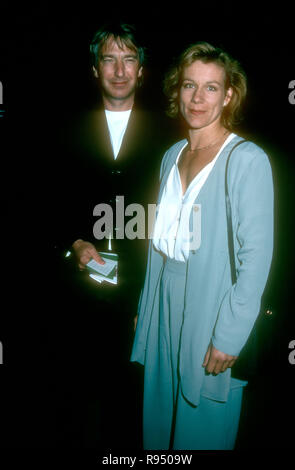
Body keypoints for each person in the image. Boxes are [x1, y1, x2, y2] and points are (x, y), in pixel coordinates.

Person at [131, 42, 274, 450]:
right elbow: (159, 248)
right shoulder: (171, 155)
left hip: (213, 306)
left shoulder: (246, 160)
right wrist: (146, 308)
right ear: (177, 90)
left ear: (228, 95)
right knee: (159, 427)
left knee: (202, 429)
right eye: (189, 86)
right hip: (163, 305)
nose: (197, 98)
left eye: (211, 88)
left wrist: (229, 334)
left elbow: (256, 260)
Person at [52, 22, 178, 448]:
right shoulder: (63, 129)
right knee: (75, 408)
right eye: (109, 59)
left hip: (143, 297)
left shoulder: (172, 134)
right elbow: (39, 200)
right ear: (94, 68)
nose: (120, 70)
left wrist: (153, 295)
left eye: (129, 59)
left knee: (134, 409)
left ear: (142, 70)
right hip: (76, 295)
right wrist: (73, 242)